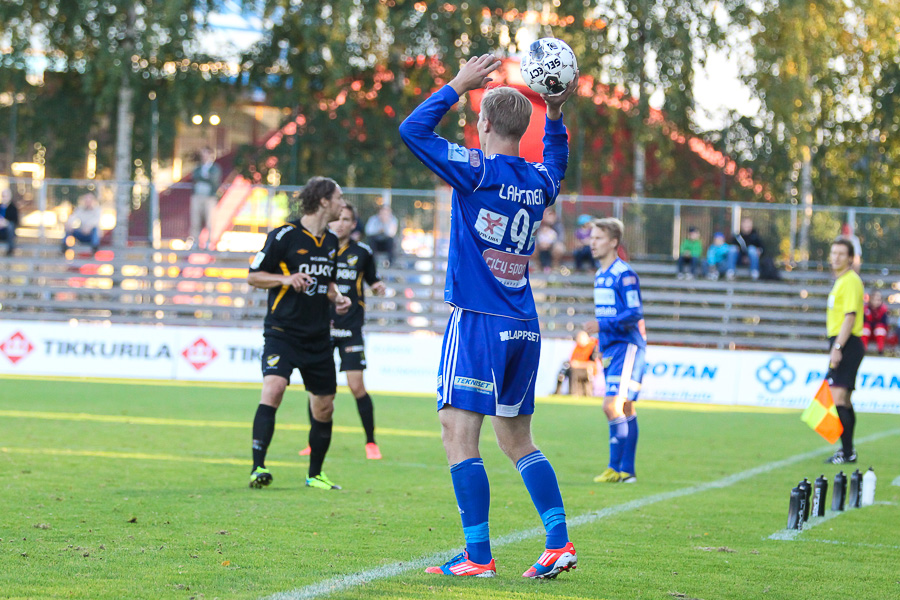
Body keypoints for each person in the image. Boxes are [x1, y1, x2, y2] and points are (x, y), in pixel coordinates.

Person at [399, 54, 578, 579]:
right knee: (517, 439)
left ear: (483, 125)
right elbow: (556, 160)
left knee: (457, 433)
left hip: (478, 319)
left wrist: (457, 84)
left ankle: (478, 556)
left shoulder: (475, 171)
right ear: (522, 129)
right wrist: (557, 116)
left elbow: (412, 130)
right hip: (524, 322)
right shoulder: (539, 181)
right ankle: (557, 542)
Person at [246, 176, 352, 490]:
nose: (342, 205)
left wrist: (338, 296)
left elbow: (328, 282)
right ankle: (257, 467)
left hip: (319, 336)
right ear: (323, 201)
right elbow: (254, 277)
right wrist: (285, 279)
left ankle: (315, 474)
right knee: (274, 388)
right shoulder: (284, 236)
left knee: (324, 405)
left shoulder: (332, 241)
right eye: (338, 198)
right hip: (282, 331)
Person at [298, 203, 387, 459]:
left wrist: (378, 286)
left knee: (356, 386)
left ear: (352, 224)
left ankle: (371, 442)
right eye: (338, 219)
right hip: (320, 327)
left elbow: (372, 280)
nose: (341, 223)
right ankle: (314, 442)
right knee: (317, 386)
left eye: (347, 219)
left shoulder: (363, 252)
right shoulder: (319, 248)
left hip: (351, 326)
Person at [583, 217, 647, 484]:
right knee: (627, 408)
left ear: (613, 242)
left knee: (611, 405)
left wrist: (602, 325)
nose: (592, 243)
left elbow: (634, 312)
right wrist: (600, 345)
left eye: (598, 238)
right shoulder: (600, 275)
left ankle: (613, 467)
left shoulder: (624, 274)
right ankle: (626, 471)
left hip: (628, 346)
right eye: (591, 238)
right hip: (611, 347)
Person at [823, 238, 865, 465]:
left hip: (847, 343)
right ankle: (848, 451)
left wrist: (838, 347)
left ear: (850, 258)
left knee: (838, 398)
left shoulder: (850, 281)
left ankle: (847, 451)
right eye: (833, 253)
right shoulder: (841, 281)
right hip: (844, 342)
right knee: (844, 400)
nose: (835, 257)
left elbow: (850, 316)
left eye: (841, 253)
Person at [190, 147, 222, 248]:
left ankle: (209, 242)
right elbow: (195, 177)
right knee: (195, 220)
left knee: (209, 221)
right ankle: (195, 241)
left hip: (209, 197)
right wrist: (205, 177)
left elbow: (214, 180)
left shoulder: (215, 168)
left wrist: (205, 178)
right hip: (197, 196)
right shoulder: (198, 167)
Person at [553, 330, 598, 396]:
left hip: (587, 370)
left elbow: (593, 364)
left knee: (573, 371)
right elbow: (572, 360)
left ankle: (573, 393)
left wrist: (578, 364)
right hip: (576, 368)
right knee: (563, 370)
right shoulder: (577, 347)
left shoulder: (592, 347)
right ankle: (557, 392)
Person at [862, 290, 889, 355]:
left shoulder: (883, 310)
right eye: (875, 299)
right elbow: (864, 322)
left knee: (880, 327)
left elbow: (885, 324)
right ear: (871, 300)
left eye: (879, 300)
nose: (877, 302)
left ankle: (880, 350)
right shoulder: (866, 309)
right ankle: (863, 349)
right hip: (868, 334)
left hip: (878, 335)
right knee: (865, 327)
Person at [0, 188, 19, 256]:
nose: (4, 198)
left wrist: (6, 223)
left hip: (7, 232)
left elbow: (16, 221)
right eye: (3, 196)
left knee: (10, 226)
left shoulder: (13, 208)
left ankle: (10, 250)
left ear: (9, 196)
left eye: (5, 196)